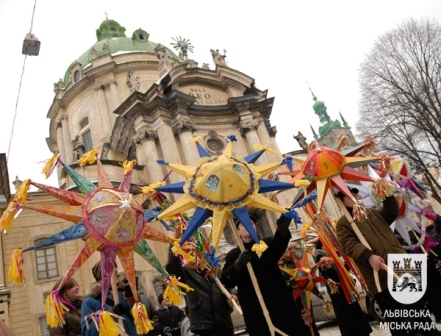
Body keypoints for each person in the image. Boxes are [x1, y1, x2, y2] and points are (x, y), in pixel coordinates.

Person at [336, 187, 440, 336]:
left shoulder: (372, 212)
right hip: (380, 274)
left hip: (401, 265)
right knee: (395, 316)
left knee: (417, 308)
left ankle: (431, 334)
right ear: (341, 201)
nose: (354, 197)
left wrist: (387, 195)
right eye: (349, 196)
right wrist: (368, 256)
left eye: (355, 194)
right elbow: (348, 245)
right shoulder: (344, 223)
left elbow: (392, 212)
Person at [221, 214, 309, 336]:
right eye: (244, 224)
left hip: (279, 303)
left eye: (251, 223)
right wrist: (237, 265)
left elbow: (278, 245)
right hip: (255, 309)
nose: (249, 226)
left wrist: (282, 231)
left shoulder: (266, 244)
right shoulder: (234, 255)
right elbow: (226, 280)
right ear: (238, 231)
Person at [165, 228, 235, 336]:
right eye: (188, 255)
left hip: (223, 320)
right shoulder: (184, 275)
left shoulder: (209, 269)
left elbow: (225, 283)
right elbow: (171, 265)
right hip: (204, 324)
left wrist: (233, 294)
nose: (193, 258)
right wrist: (175, 239)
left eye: (194, 253)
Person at [314, 239, 372, 336]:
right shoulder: (320, 258)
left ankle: (363, 331)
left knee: (355, 312)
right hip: (337, 291)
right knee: (346, 316)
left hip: (347, 287)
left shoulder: (335, 253)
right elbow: (331, 274)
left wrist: (343, 262)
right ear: (321, 246)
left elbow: (346, 269)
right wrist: (337, 264)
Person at [81, 261, 138, 336]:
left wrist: (132, 297)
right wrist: (111, 315)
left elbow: (138, 318)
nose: (113, 274)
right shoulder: (89, 301)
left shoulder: (123, 292)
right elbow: (88, 331)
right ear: (100, 276)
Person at [279, 245, 320, 336]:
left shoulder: (296, 264)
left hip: (303, 296)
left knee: (310, 325)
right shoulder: (281, 265)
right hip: (290, 299)